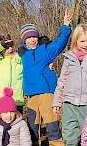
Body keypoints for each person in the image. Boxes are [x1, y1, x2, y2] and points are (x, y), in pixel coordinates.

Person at [20, 9, 73, 146]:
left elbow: (60, 43)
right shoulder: (22, 56)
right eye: (29, 38)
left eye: (34, 37)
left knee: (51, 123)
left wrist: (66, 26)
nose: (32, 40)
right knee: (33, 125)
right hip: (31, 96)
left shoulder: (45, 50)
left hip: (46, 92)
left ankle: (57, 144)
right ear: (24, 40)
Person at [52, 23, 87, 146]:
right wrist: (56, 102)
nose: (85, 44)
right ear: (76, 41)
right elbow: (62, 81)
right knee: (69, 135)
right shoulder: (69, 58)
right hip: (69, 103)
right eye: (82, 41)